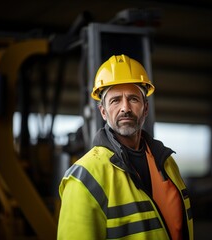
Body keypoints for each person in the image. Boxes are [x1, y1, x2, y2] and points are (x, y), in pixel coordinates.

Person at [57, 54, 193, 239]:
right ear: (103, 112)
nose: (125, 108)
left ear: (145, 108)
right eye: (115, 100)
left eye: (133, 99)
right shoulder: (85, 177)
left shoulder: (168, 163)